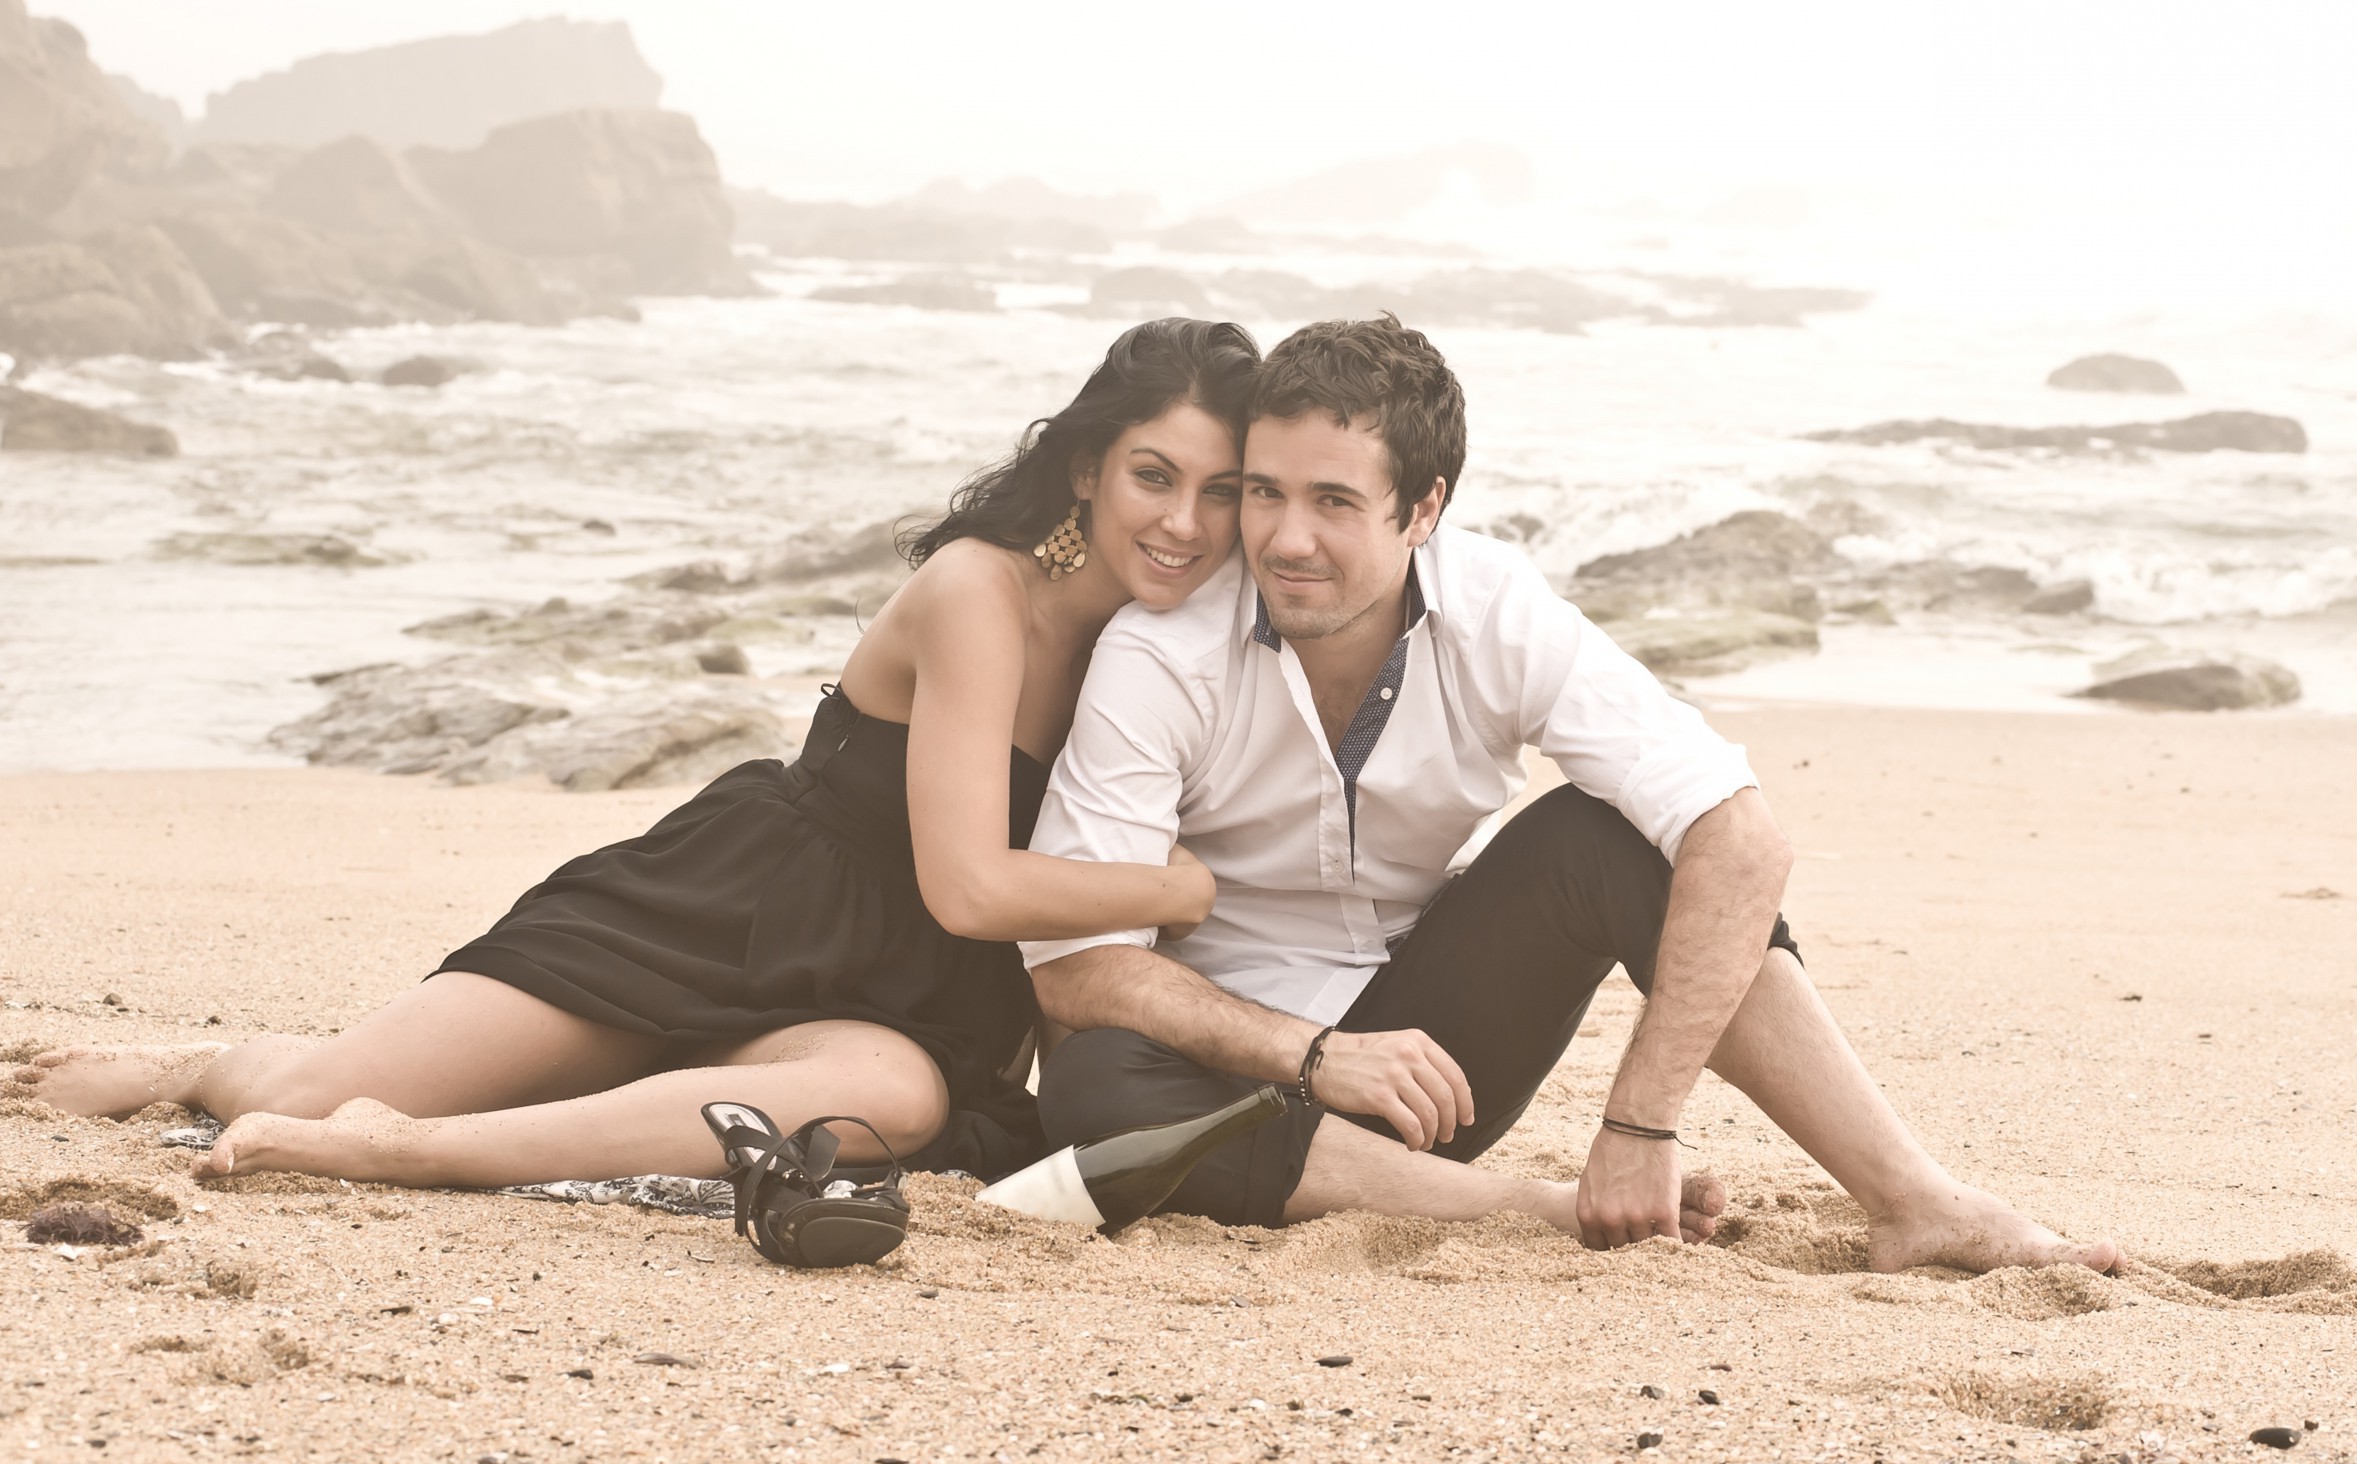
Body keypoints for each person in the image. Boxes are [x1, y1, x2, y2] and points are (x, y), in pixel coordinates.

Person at [31, 318, 1262, 1191]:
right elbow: (971, 886)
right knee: (302, 1094)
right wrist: (1178, 888)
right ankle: (201, 1064)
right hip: (724, 915)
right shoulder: (978, 591)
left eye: (1222, 493)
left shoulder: (1171, 656)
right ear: (1087, 466)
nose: (1183, 522)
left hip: (905, 1004)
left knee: (895, 1099)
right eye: (1154, 476)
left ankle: (415, 1152)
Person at [1024, 315, 2123, 1271]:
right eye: (1264, 492)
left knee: (1615, 841)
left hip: (1434, 1070)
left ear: (1423, 508)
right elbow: (1077, 968)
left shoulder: (1496, 610)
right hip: (1232, 1088)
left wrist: (1640, 1124)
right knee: (1089, 1086)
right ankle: (1535, 1211)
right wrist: (1313, 1055)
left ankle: (1918, 1201)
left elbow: (1741, 837)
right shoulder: (1161, 653)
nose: (1284, 538)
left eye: (1333, 501)